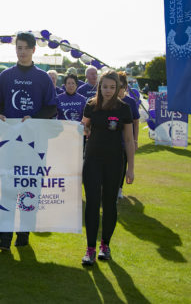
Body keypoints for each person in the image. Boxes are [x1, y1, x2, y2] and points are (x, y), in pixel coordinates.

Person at [0, 32, 57, 251]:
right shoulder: (6, 76)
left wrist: (35, 119)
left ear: (33, 50)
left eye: (25, 48)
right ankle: (4, 240)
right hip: (10, 144)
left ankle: (23, 236)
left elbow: (51, 107)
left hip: (34, 145)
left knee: (30, 190)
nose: (21, 52)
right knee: (8, 188)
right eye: (18, 48)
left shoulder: (43, 77)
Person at [81, 71, 135, 266]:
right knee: (93, 204)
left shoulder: (124, 109)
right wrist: (85, 129)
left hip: (115, 162)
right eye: (105, 87)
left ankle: (105, 245)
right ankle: (90, 249)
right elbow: (83, 126)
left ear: (118, 88)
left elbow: (129, 140)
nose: (109, 90)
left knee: (109, 204)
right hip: (92, 161)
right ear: (100, 86)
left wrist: (131, 169)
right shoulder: (91, 106)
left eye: (113, 87)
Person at [117, 72, 140, 200]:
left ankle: (119, 189)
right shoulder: (109, 100)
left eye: (121, 86)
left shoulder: (130, 102)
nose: (119, 89)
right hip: (112, 141)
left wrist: (135, 140)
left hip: (126, 141)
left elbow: (136, 122)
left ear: (125, 86)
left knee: (123, 164)